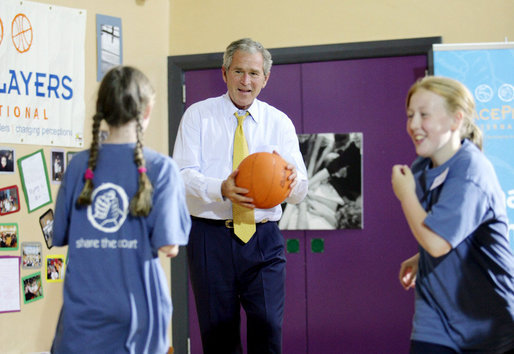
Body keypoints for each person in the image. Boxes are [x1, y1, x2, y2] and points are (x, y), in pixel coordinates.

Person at [173, 38, 308, 353]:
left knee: (268, 331)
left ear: (265, 79)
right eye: (238, 71)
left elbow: (301, 191)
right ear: (224, 73)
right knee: (219, 338)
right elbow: (180, 177)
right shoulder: (197, 116)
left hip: (263, 239)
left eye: (253, 73)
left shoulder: (280, 123)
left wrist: (290, 182)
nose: (245, 81)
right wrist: (221, 188)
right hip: (209, 238)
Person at [51, 66, 191, 353]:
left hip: (82, 315)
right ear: (147, 110)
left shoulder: (77, 166)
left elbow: (60, 234)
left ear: (102, 109)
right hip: (138, 315)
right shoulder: (162, 169)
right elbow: (170, 246)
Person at [391, 76, 514, 353]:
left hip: (486, 324)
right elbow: (450, 235)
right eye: (410, 115)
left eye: (424, 115)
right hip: (434, 321)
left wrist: (406, 194)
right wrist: (418, 258)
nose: (413, 125)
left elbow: (436, 243)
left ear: (456, 120)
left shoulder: (471, 171)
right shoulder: (422, 166)